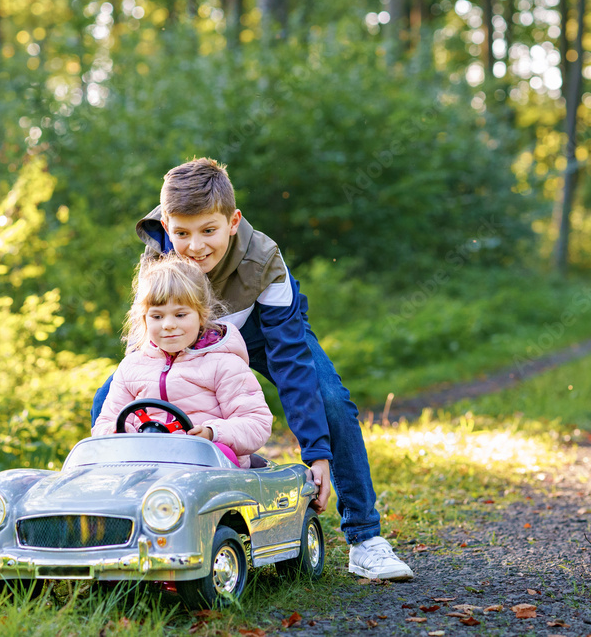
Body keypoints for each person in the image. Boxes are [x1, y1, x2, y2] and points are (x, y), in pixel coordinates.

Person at [92, 157, 414, 581]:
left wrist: (316, 452)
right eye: (182, 233)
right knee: (109, 398)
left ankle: (365, 538)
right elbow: (146, 340)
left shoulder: (264, 259)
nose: (195, 246)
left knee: (331, 400)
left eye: (209, 230)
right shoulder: (158, 253)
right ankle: (136, 522)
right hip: (192, 337)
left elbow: (292, 361)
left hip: (263, 333)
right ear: (167, 226)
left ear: (232, 221)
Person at [92, 253, 272, 469]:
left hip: (209, 465)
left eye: (180, 315)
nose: (168, 325)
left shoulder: (224, 364)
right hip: (145, 463)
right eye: (157, 316)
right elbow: (105, 422)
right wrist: (123, 434)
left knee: (212, 455)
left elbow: (256, 423)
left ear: (201, 315)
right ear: (144, 319)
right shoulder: (132, 367)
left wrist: (212, 433)